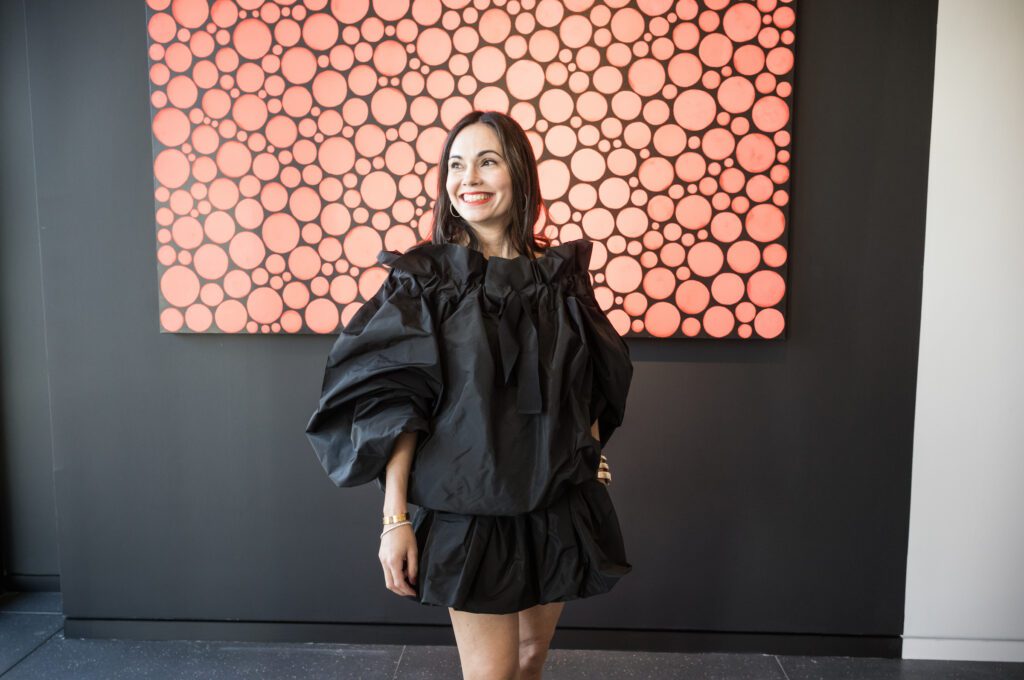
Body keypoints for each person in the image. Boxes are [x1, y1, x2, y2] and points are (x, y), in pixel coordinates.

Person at [305, 110, 633, 680]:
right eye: (456, 164)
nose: (469, 178)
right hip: (468, 507)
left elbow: (594, 378)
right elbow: (396, 403)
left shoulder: (560, 278)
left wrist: (591, 460)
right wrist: (395, 519)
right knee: (492, 676)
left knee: (531, 659)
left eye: (487, 161)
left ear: (520, 173)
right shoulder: (425, 281)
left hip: (554, 502)